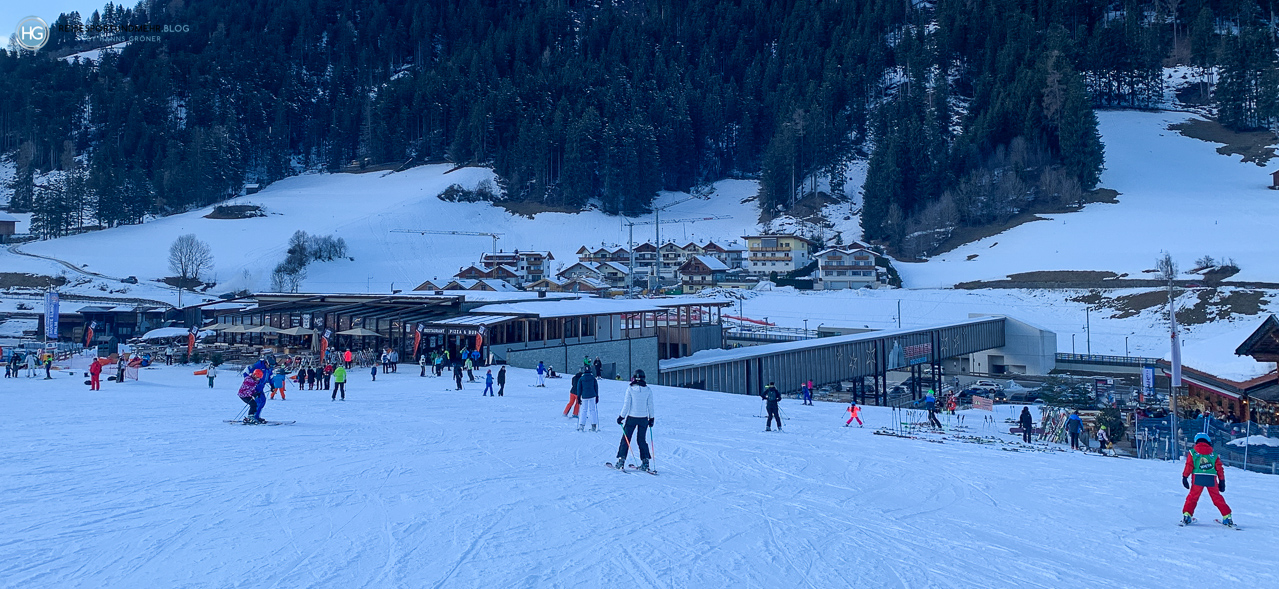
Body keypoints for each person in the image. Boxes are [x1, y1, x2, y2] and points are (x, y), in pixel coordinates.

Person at [1182, 433, 1233, 526]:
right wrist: (1222, 481)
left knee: (1192, 497)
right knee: (1217, 498)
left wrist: (1185, 477)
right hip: (1211, 478)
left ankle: (1187, 515)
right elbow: (1219, 468)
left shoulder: (1193, 453)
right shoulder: (1213, 454)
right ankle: (1227, 517)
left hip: (1198, 477)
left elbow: (1189, 465)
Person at [614, 369, 655, 471]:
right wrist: (652, 418)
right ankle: (645, 462)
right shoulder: (648, 390)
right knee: (641, 440)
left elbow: (627, 405)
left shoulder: (630, 389)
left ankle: (621, 461)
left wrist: (621, 417)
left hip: (632, 417)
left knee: (626, 439)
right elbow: (650, 405)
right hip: (644, 418)